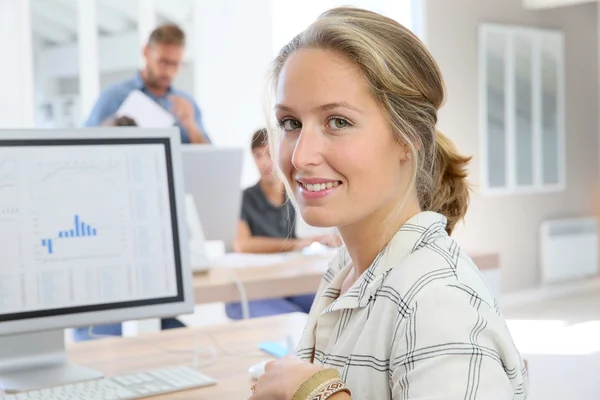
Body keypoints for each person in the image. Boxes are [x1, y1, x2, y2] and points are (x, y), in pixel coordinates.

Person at [250, 7, 528, 400]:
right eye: (291, 123)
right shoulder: (344, 270)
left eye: (338, 122)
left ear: (408, 135)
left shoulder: (438, 300)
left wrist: (316, 393)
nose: (300, 157)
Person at [72, 114, 186, 343]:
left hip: (152, 311)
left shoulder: (151, 197)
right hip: (100, 314)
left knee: (188, 346)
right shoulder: (81, 201)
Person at [225, 128, 341, 320]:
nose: (264, 162)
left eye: (270, 154)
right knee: (294, 319)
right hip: (254, 288)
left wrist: (328, 239)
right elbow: (242, 245)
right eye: (258, 156)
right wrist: (296, 245)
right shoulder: (244, 198)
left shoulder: (299, 193)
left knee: (331, 310)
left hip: (292, 281)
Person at [85, 24, 210, 144]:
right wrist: (107, 130)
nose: (169, 71)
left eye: (176, 64)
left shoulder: (187, 104)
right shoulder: (113, 97)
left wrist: (190, 125)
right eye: (163, 62)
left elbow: (209, 157)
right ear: (146, 52)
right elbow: (85, 144)